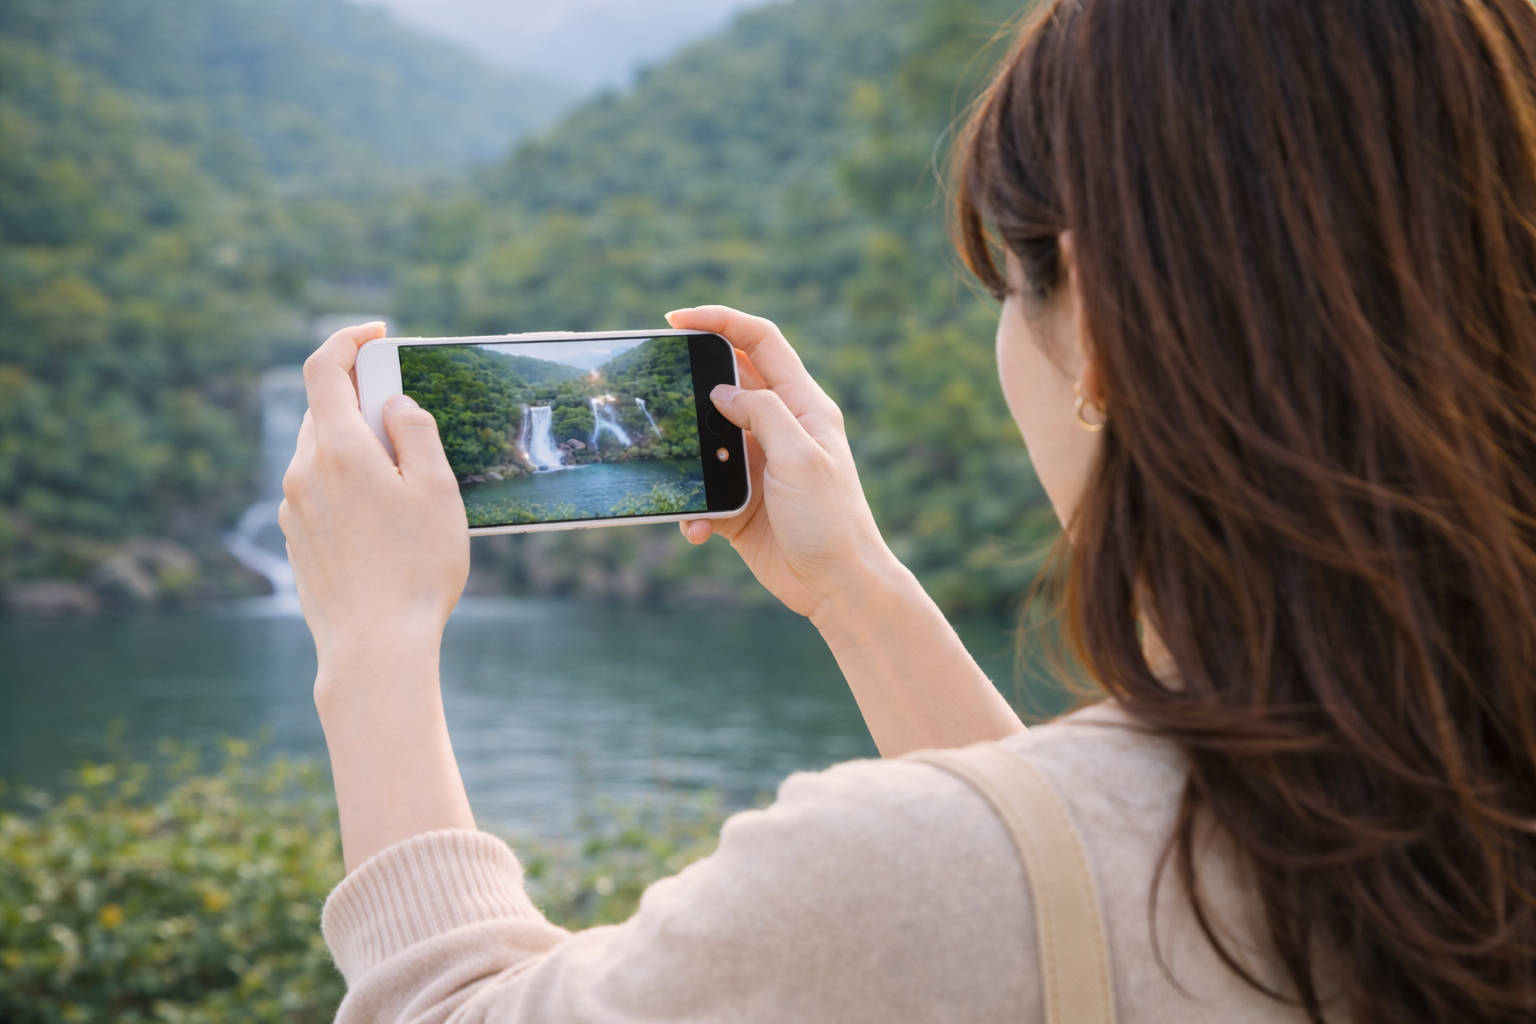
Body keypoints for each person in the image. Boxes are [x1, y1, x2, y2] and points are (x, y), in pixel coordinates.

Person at [278, 0, 1536, 1020]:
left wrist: (373, 644)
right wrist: (857, 590)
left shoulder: (882, 877)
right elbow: (1062, 884)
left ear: (1090, 317)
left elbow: (447, 1008)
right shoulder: (1455, 789)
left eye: (1007, 279)